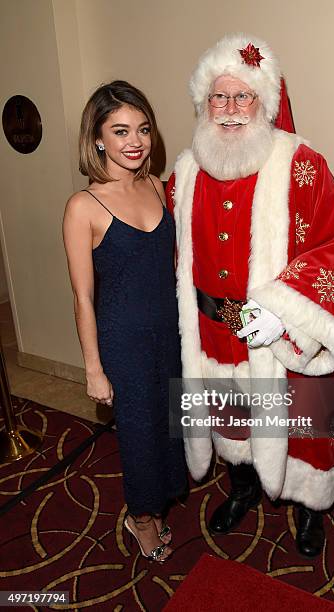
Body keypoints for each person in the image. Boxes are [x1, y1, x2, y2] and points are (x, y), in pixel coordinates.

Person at [167, 34, 334, 557]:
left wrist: (283, 313)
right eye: (218, 98)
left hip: (283, 339)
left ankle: (309, 509)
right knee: (235, 423)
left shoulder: (303, 165)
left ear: (265, 103)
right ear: (204, 104)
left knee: (306, 431)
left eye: (242, 97)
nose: (229, 111)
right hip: (215, 337)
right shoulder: (183, 174)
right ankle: (244, 488)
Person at [63, 80, 186, 563]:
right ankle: (142, 518)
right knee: (139, 433)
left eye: (143, 129)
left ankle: (160, 500)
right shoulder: (83, 207)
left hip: (169, 333)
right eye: (119, 131)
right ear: (97, 138)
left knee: (169, 424)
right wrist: (93, 367)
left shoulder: (157, 185)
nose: (134, 142)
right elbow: (82, 296)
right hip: (124, 341)